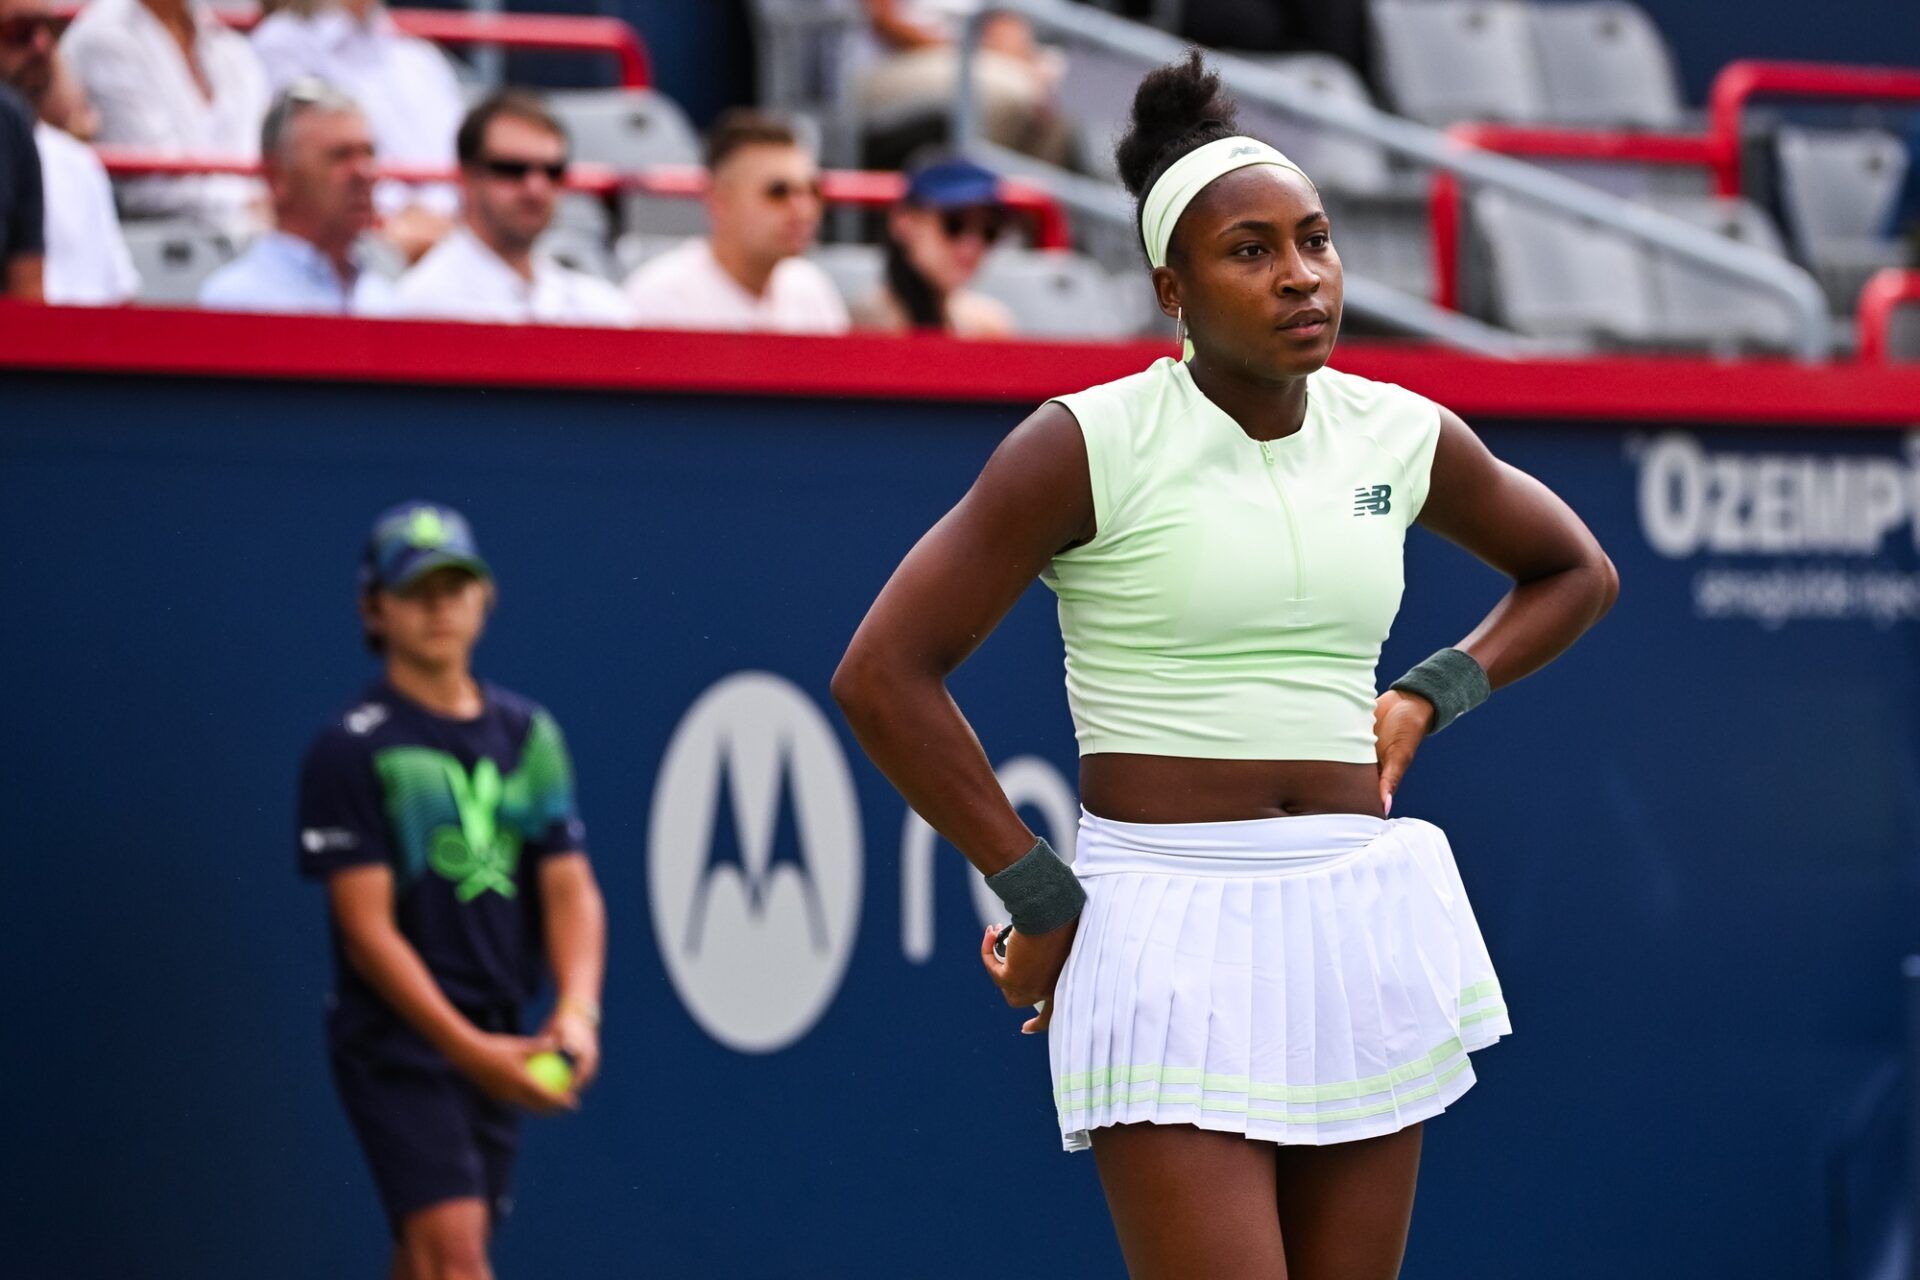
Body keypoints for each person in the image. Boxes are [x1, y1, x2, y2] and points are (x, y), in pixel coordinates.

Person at [832, 53, 1618, 1280]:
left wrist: (1429, 693)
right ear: (1173, 289)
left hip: (1358, 915)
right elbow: (883, 673)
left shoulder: (1398, 430)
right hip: (1161, 924)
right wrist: (1040, 893)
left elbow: (1576, 570)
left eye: (1315, 240)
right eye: (1251, 251)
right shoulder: (1083, 442)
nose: (1302, 274)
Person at [297, 500, 607, 1280]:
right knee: (456, 1257)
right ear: (375, 608)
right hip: (398, 1039)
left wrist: (576, 1010)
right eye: (416, 591)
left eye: (455, 587)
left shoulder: (529, 736)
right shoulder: (351, 749)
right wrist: (469, 1052)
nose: (440, 607)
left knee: (428, 1259)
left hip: (501, 1027)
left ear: (485, 598)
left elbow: (570, 890)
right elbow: (366, 931)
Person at [387, 91, 633, 327]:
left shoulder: (599, 305)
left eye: (553, 172)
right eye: (512, 169)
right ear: (467, 178)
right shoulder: (424, 306)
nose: (536, 188)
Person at [250, 0, 461, 260]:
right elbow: (303, 164)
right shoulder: (282, 44)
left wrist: (439, 224)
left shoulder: (420, 57)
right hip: (361, 244)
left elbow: (463, 160)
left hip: (445, 241)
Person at [623, 108, 848, 335]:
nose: (803, 209)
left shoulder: (812, 290)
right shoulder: (659, 300)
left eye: (812, 190)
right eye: (778, 192)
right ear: (719, 200)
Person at [60, 0, 268, 229]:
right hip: (168, 239)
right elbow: (155, 187)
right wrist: (255, 206)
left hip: (251, 231)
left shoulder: (227, 44)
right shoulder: (104, 38)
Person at [199, 80, 391, 314]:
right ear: (277, 177)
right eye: (340, 156)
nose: (364, 173)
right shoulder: (237, 302)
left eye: (368, 154)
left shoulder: (383, 299)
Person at [0, 0, 137, 304]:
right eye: (19, 32)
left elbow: (121, 297)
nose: (41, 45)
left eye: (50, 29)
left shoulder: (80, 163)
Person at [856, 0, 1073, 171]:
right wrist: (971, 53)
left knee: (1055, 119)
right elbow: (885, 22)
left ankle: (1017, 213)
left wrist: (1027, 70)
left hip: (971, 61)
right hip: (891, 64)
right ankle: (970, 200)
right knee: (1007, 93)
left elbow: (1007, 27)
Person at [849, 157, 1014, 338]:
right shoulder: (862, 324)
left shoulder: (988, 327)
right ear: (904, 220)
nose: (972, 246)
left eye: (990, 230)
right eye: (954, 224)